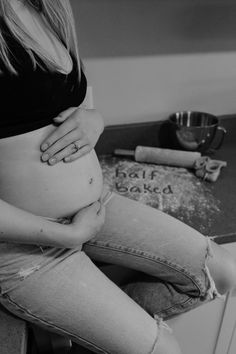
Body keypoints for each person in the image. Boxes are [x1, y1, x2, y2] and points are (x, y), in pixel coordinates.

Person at [0, 1, 235, 353]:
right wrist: (67, 234)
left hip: (96, 207)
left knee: (223, 271)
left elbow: (62, 100)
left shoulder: (47, 8)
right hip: (22, 248)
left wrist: (95, 119)